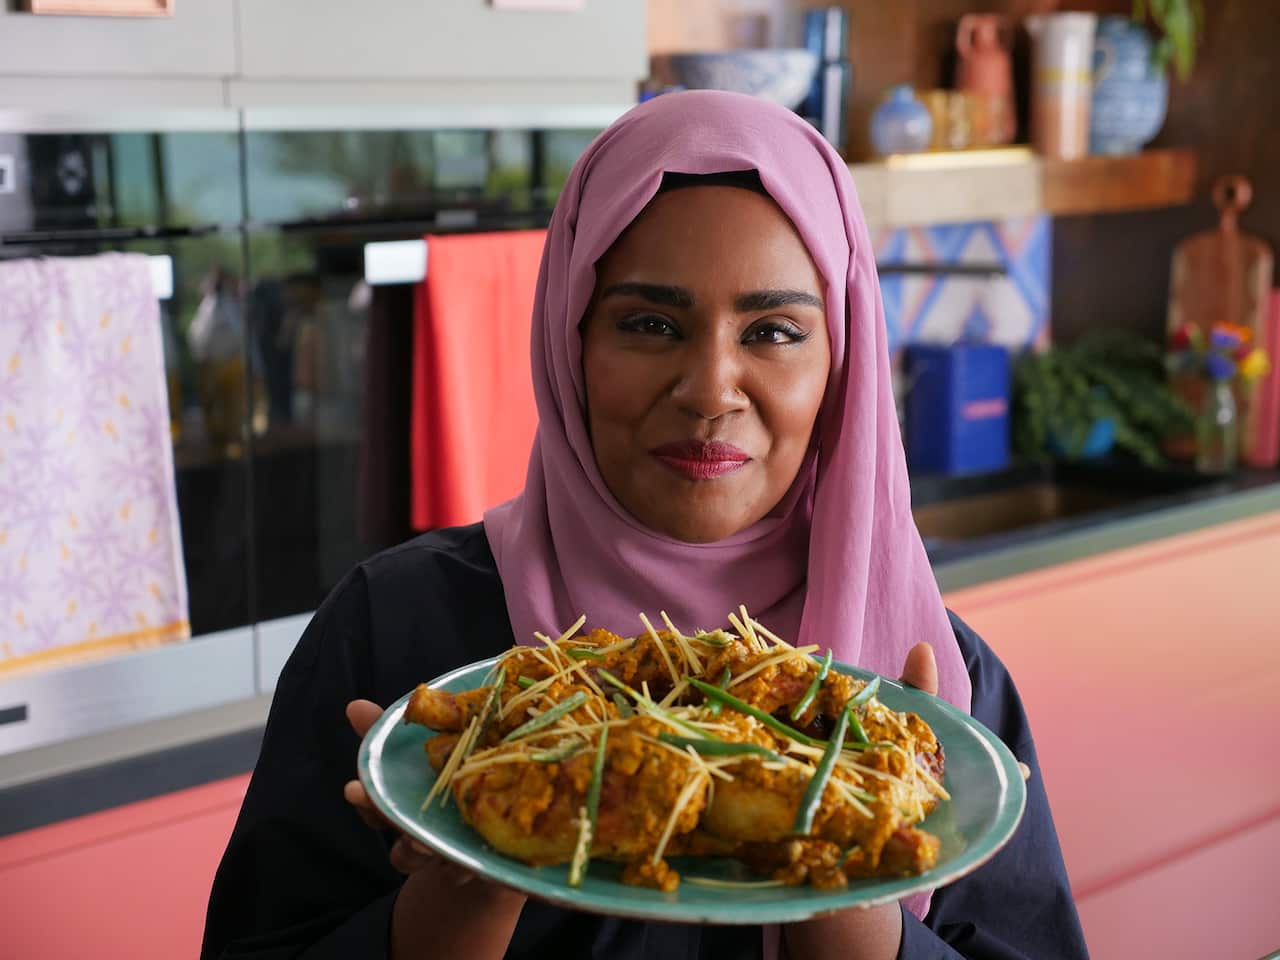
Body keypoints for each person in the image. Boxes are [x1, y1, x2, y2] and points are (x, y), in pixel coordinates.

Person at [201, 91, 1088, 960]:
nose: (709, 389)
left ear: (842, 368)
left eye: (775, 331)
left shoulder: (931, 700)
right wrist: (452, 903)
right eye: (651, 323)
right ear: (568, 342)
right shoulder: (400, 638)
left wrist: (851, 882)